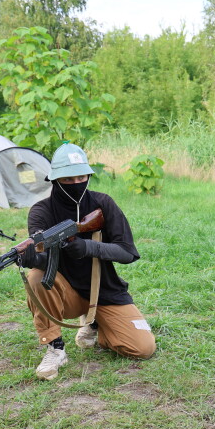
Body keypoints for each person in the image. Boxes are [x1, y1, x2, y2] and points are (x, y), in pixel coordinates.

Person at [17, 143, 156, 380]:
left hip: (105, 291)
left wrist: (88, 247)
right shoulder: (42, 211)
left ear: (88, 176)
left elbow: (127, 253)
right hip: (65, 293)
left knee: (143, 348)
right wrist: (32, 258)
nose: (75, 183)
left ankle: (95, 325)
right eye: (68, 179)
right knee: (37, 277)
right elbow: (41, 253)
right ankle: (55, 348)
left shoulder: (103, 204)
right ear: (55, 179)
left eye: (81, 177)